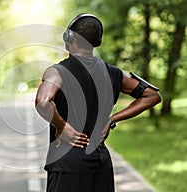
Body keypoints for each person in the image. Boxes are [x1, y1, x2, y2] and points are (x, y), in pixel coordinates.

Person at [35, 13, 161, 192]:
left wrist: (62, 126)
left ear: (70, 38)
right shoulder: (114, 73)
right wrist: (112, 120)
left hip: (67, 166)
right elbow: (152, 95)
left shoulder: (57, 72)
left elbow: (42, 102)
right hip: (101, 164)